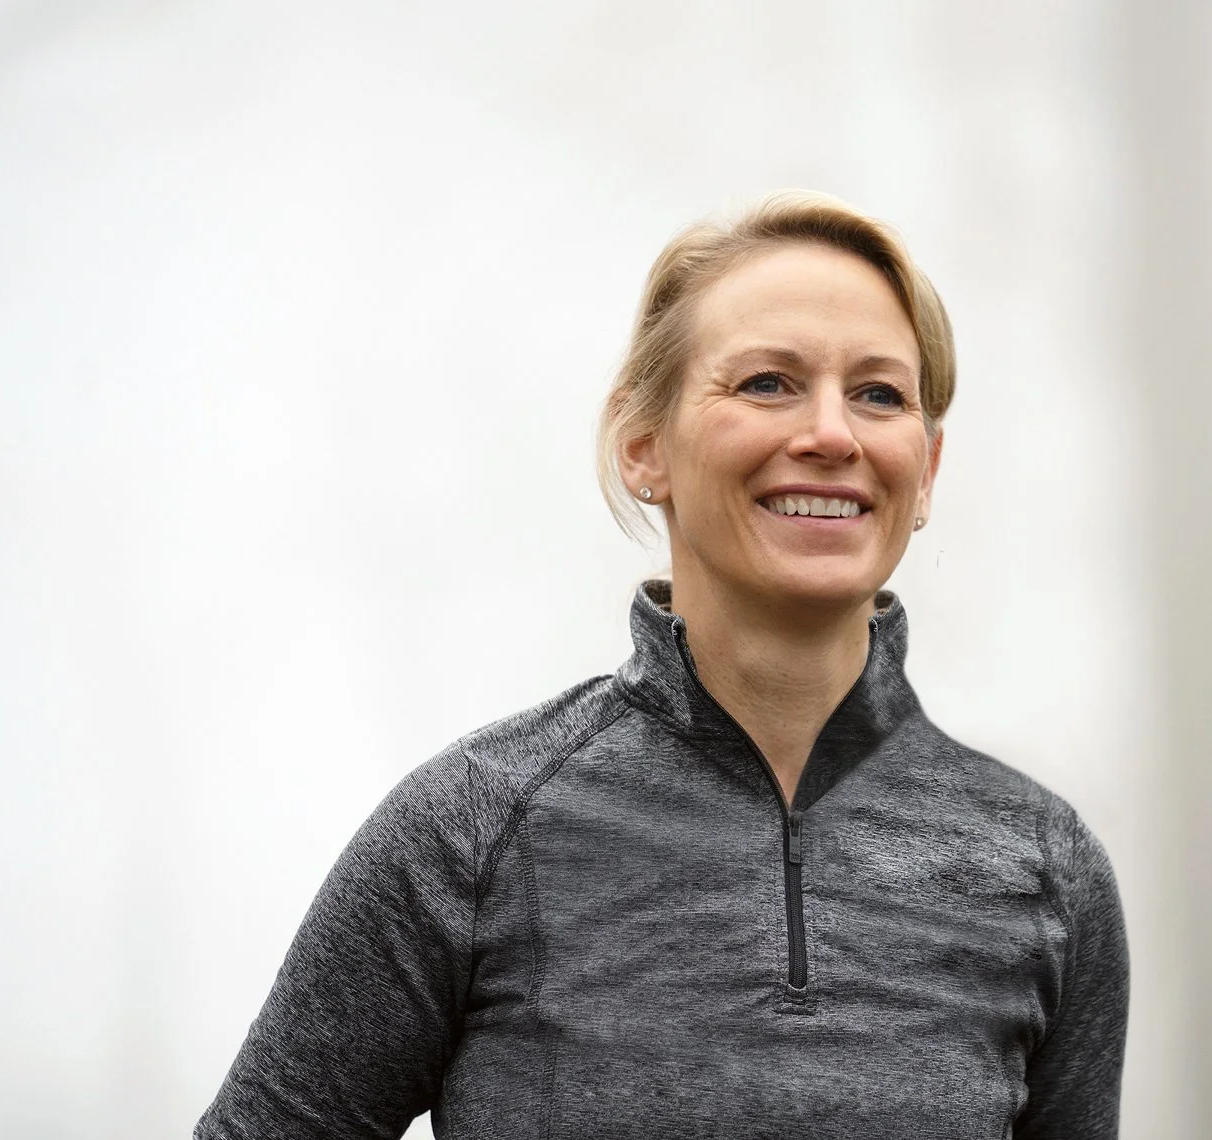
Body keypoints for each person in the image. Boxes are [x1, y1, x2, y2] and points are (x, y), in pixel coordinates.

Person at [195, 191, 1128, 1139]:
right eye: (767, 382)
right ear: (644, 446)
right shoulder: (468, 834)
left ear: (924, 470)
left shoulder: (1044, 867)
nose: (833, 434)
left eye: (879, 394)